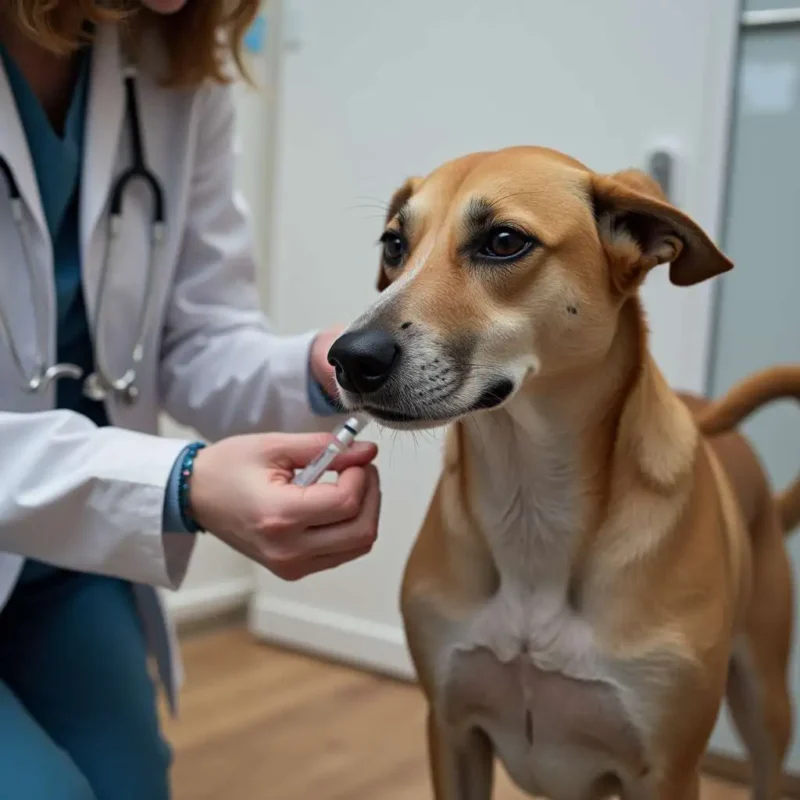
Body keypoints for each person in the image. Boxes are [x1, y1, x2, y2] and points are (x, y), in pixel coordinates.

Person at [0, 1, 382, 797]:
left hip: (61, 553)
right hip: (67, 499)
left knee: (131, 784)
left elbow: (195, 335)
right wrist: (183, 484)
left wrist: (316, 369)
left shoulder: (169, 51)